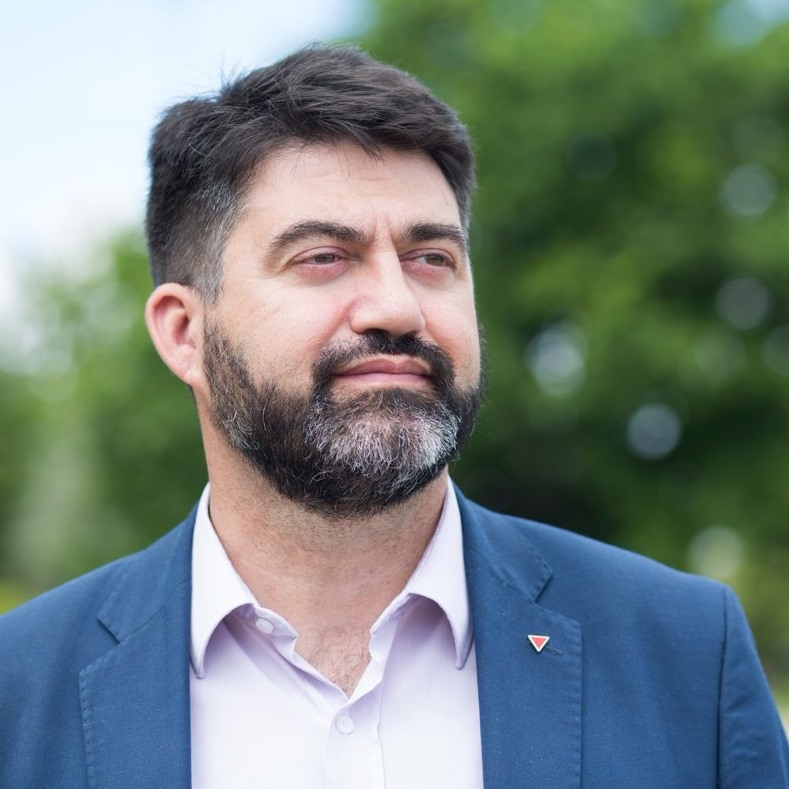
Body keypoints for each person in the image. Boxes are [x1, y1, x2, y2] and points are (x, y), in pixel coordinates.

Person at [0, 44, 786, 789]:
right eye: (322, 257)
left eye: (431, 259)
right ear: (184, 332)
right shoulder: (20, 691)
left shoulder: (685, 654)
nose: (397, 307)